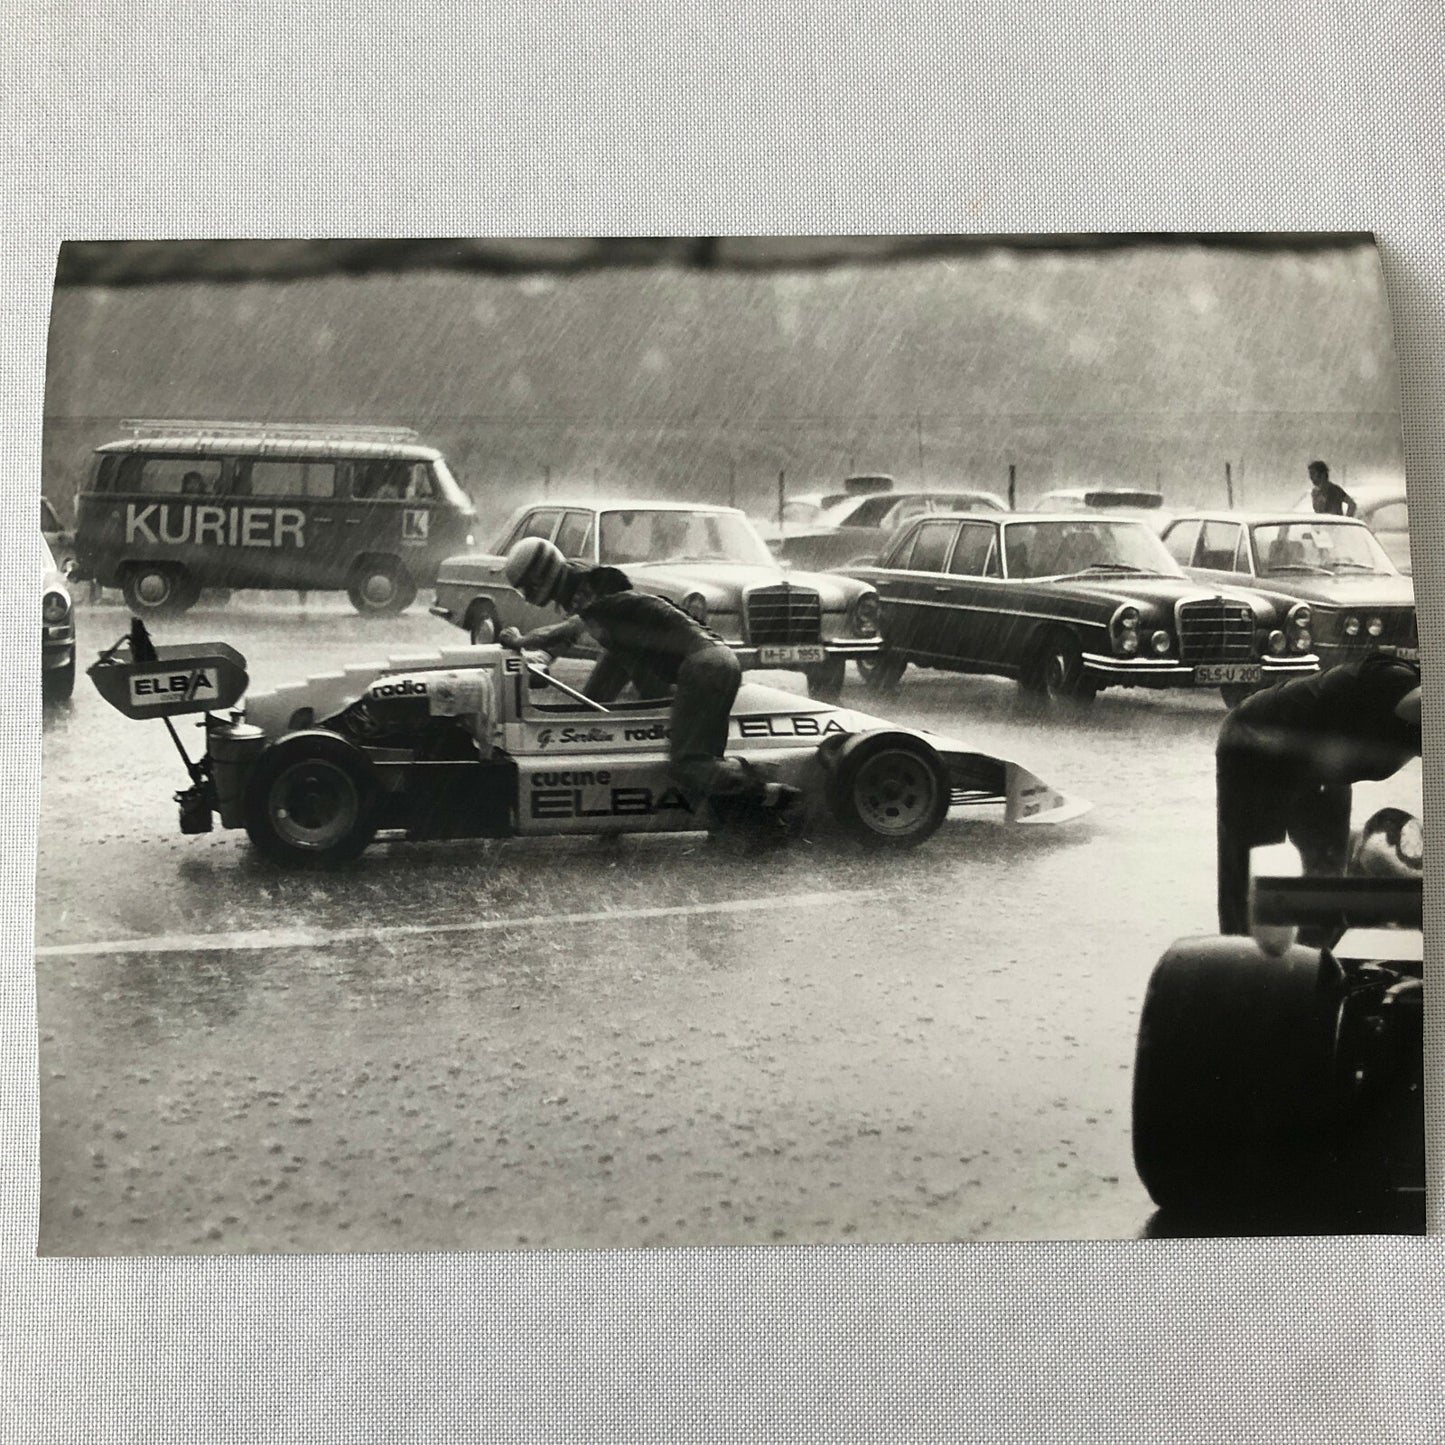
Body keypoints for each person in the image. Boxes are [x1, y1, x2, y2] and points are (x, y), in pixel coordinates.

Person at [497, 536, 802, 831]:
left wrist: (520, 640)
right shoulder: (613, 616)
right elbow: (606, 675)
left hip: (704, 666)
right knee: (706, 761)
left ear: (541, 579)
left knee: (688, 765)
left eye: (528, 588)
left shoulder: (604, 603)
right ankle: (757, 812)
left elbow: (566, 631)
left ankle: (767, 788)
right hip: (715, 661)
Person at [1215, 650, 1422, 934]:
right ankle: (1242, 964)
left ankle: (1318, 964)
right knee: (1256, 875)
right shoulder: (1394, 682)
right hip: (1257, 742)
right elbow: (1421, 704)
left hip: (1323, 766)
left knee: (1326, 879)